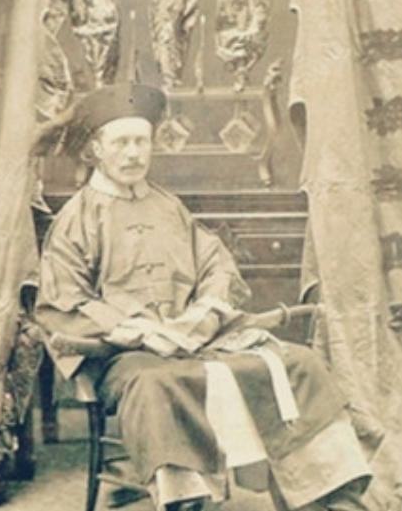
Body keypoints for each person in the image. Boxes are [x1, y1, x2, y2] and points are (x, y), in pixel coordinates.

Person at [36, 82, 371, 511]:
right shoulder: (75, 220)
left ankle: (328, 497)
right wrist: (139, 330)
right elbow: (65, 302)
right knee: (158, 385)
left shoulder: (169, 207)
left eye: (141, 142)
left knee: (299, 363)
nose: (133, 154)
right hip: (127, 355)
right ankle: (187, 501)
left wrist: (204, 313)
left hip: (197, 339)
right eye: (121, 143)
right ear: (97, 150)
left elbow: (216, 266)